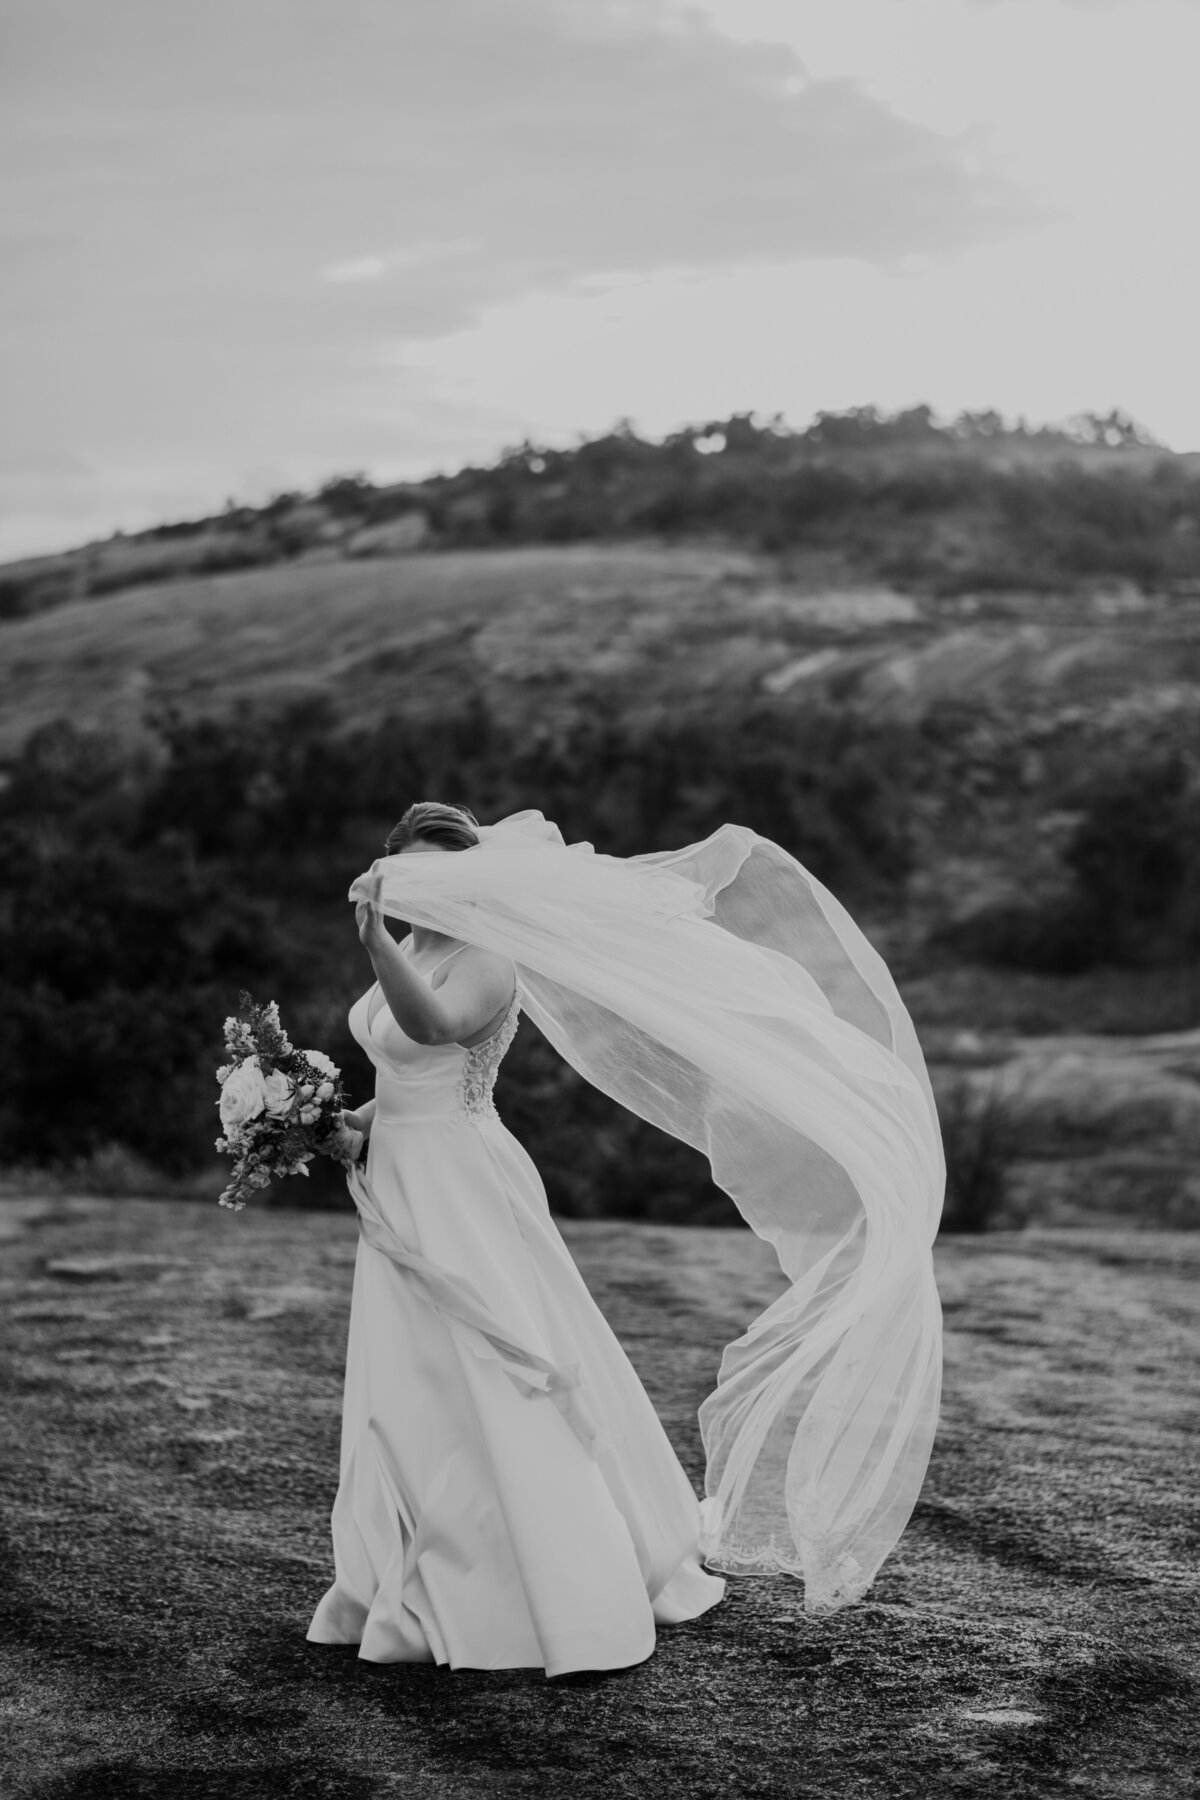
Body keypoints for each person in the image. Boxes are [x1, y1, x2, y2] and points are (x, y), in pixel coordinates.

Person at [306, 801, 727, 1677]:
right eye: (407, 872)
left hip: (462, 1181)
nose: (420, 890)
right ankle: (414, 1570)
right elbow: (404, 1073)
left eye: (437, 875)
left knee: (493, 1362)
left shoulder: (489, 958)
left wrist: (374, 940)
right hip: (402, 1174)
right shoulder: (418, 947)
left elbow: (435, 1033)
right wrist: (348, 1121)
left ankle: (543, 1584)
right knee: (412, 1373)